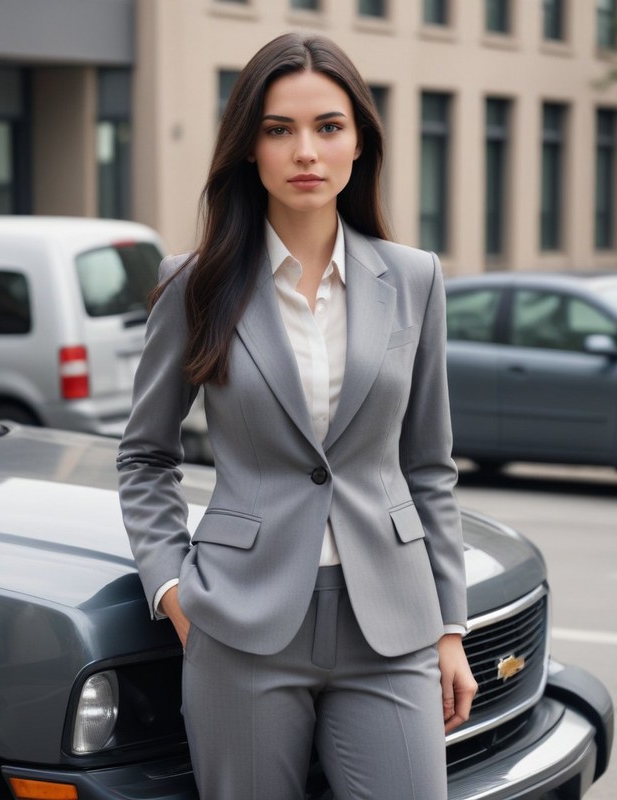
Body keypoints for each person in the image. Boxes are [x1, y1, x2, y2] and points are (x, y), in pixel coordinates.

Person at [117, 31, 477, 800]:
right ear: (249, 147)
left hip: (391, 624)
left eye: (328, 127)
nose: (305, 151)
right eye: (279, 129)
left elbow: (428, 467)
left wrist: (450, 624)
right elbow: (145, 455)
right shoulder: (195, 285)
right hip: (242, 621)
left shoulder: (414, 279)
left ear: (358, 143)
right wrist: (174, 594)